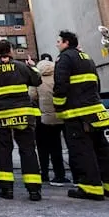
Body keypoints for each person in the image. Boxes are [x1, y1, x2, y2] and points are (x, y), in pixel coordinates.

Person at [53, 30, 109, 201]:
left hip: (77, 114)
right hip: (95, 112)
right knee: (101, 149)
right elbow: (96, 84)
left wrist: (58, 106)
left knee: (82, 151)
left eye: (59, 41)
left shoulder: (65, 58)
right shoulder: (87, 58)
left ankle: (91, 188)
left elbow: (61, 85)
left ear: (66, 43)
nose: (57, 44)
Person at [0, 40, 43, 201]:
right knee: (28, 150)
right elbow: (37, 80)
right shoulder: (22, 67)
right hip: (23, 115)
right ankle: (34, 190)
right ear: (11, 50)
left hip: (0, 117)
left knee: (2, 151)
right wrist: (32, 66)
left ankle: (6, 190)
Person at [30, 53, 70, 187]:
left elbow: (32, 95)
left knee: (42, 147)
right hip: (60, 115)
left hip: (43, 117)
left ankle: (44, 173)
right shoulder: (59, 73)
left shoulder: (37, 75)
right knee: (57, 146)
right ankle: (60, 175)